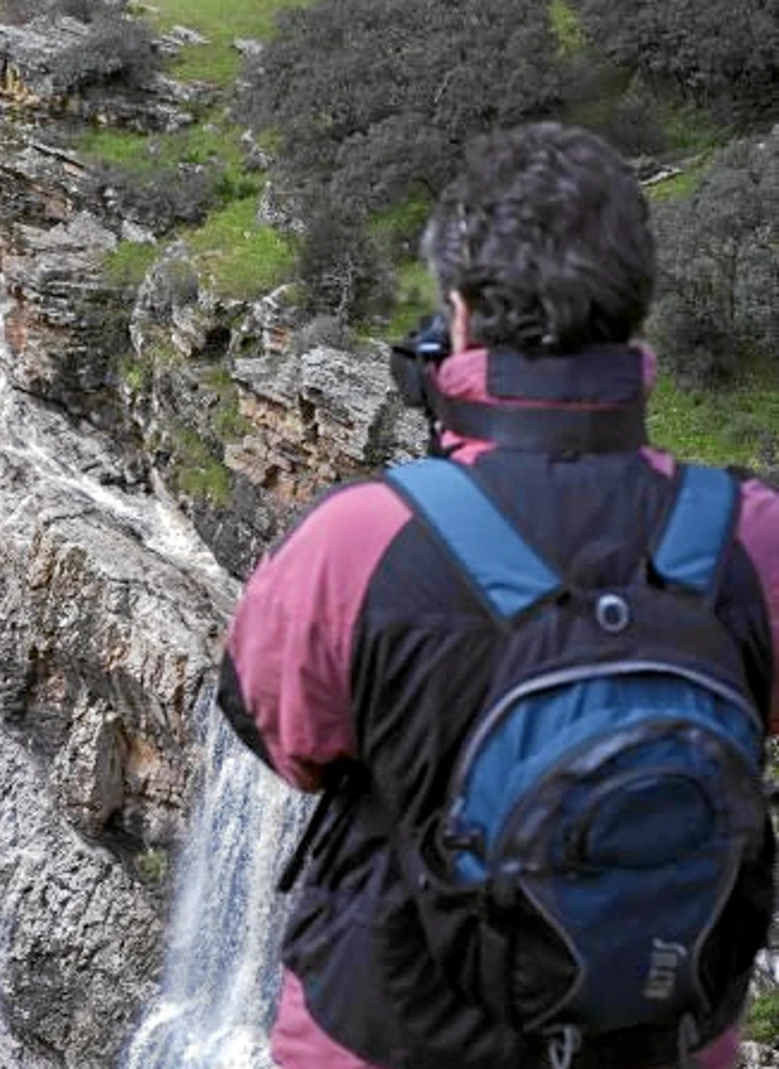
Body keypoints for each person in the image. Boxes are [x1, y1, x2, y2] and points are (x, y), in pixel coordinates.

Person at [217, 121, 779, 1069]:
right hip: (661, 1031)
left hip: (391, 1028)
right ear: (635, 316)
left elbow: (283, 738)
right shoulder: (750, 541)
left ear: (461, 311)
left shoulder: (360, 540)